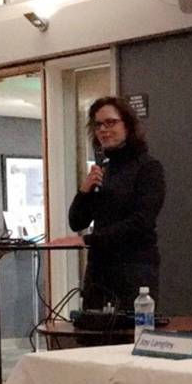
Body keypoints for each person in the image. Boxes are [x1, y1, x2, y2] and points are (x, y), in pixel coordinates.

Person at [52, 96, 165, 311]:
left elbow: (141, 222)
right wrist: (84, 191)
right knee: (91, 334)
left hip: (134, 268)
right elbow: (77, 221)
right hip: (99, 268)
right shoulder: (104, 168)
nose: (103, 129)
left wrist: (87, 239)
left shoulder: (148, 168)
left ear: (128, 125)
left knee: (128, 336)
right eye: (98, 125)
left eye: (111, 123)